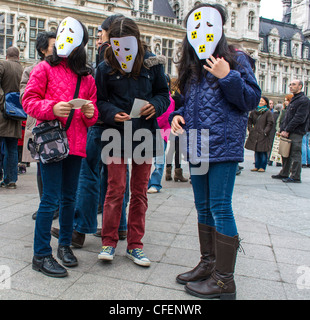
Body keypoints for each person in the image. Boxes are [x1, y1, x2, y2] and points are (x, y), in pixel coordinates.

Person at [170, 3, 261, 299]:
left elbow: (250, 100)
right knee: (203, 206)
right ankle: (208, 264)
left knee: (220, 207)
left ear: (221, 27)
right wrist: (178, 114)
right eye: (194, 27)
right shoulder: (192, 64)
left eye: (208, 25)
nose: (201, 32)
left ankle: (224, 280)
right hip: (196, 142)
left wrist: (227, 75)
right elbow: (185, 101)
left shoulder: (236, 58)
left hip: (223, 144)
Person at [22, 17, 98, 278]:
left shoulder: (87, 78)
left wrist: (89, 110)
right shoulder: (43, 69)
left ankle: (64, 246)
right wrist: (51, 108)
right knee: (51, 199)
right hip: (53, 143)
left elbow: (92, 115)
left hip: (76, 145)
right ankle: (41, 254)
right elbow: (28, 101)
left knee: (69, 199)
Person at [96, 17, 170, 266]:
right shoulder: (104, 66)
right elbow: (100, 101)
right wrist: (110, 113)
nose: (121, 52)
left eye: (127, 46)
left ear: (138, 41)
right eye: (116, 46)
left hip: (144, 131)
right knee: (115, 189)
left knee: (139, 192)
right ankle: (108, 241)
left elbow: (164, 94)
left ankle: (135, 245)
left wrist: (156, 106)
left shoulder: (153, 64)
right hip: (115, 131)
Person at [51, 15, 130, 249]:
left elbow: (97, 92)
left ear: (109, 33)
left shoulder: (106, 54)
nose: (98, 38)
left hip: (99, 124)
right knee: (116, 179)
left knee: (89, 175)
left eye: (101, 33)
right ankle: (120, 226)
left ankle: (79, 230)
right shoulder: (131, 55)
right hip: (120, 126)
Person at [20, 31, 57, 220]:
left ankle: (55, 205)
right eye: (53, 46)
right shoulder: (30, 70)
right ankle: (46, 204)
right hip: (39, 124)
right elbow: (24, 96)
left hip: (60, 124)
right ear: (43, 50)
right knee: (42, 167)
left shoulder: (64, 69)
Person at [272, 80, 310, 183]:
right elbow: (287, 117)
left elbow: (299, 118)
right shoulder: (294, 99)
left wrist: (287, 129)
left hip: (296, 131)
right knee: (285, 153)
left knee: (295, 153)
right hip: (287, 130)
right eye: (290, 84)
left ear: (300, 86)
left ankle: (295, 176)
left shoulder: (304, 100)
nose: (291, 86)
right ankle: (284, 172)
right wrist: (282, 129)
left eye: (294, 85)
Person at [147, 74, 176, 193]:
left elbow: (165, 117)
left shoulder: (169, 99)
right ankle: (147, 182)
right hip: (149, 132)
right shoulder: (151, 98)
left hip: (161, 132)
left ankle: (155, 183)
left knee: (158, 160)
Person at [0, 47, 24, 189]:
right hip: (16, 114)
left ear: (7, 56)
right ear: (18, 57)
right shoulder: (22, 69)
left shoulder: (3, 64)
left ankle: (4, 177)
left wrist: (3, 101)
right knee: (12, 148)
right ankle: (11, 179)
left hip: (2, 112)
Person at [245, 96, 274, 172]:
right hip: (255, 133)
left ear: (266, 103)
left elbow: (270, 123)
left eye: (262, 101)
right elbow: (249, 121)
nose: (260, 102)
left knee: (263, 151)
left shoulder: (268, 112)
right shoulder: (254, 111)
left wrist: (265, 132)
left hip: (263, 134)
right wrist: (250, 129)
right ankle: (256, 165)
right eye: (259, 101)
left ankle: (262, 166)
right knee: (256, 150)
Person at [165, 89, 188, 183]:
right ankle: (178, 173)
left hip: (171, 124)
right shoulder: (178, 96)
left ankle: (168, 172)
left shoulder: (171, 95)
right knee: (178, 149)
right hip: (179, 125)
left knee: (171, 149)